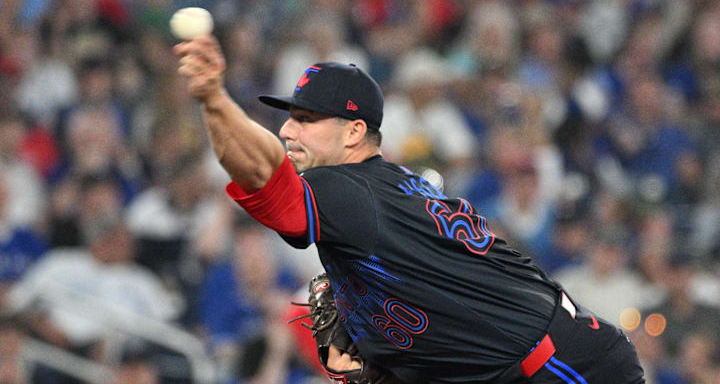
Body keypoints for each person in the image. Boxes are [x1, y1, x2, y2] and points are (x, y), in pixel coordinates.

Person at [174, 35, 646, 383]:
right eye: (291, 117)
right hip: (548, 353)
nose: (288, 131)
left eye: (307, 120)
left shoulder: (346, 188)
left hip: (558, 368)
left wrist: (214, 99)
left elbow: (269, 183)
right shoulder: (383, 190)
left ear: (354, 133)